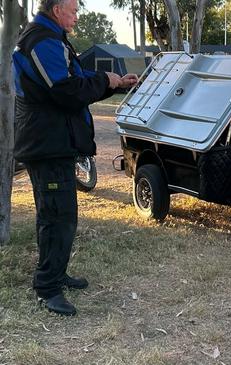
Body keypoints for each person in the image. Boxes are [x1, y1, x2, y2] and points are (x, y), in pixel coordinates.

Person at [12, 0, 138, 316]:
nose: (77, 16)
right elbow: (66, 90)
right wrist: (103, 81)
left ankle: (56, 272)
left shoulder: (53, 38)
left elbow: (79, 78)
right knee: (58, 217)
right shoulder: (42, 40)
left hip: (55, 143)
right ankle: (47, 287)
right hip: (46, 143)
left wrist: (115, 83)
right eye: (73, 10)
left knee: (57, 214)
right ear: (57, 10)